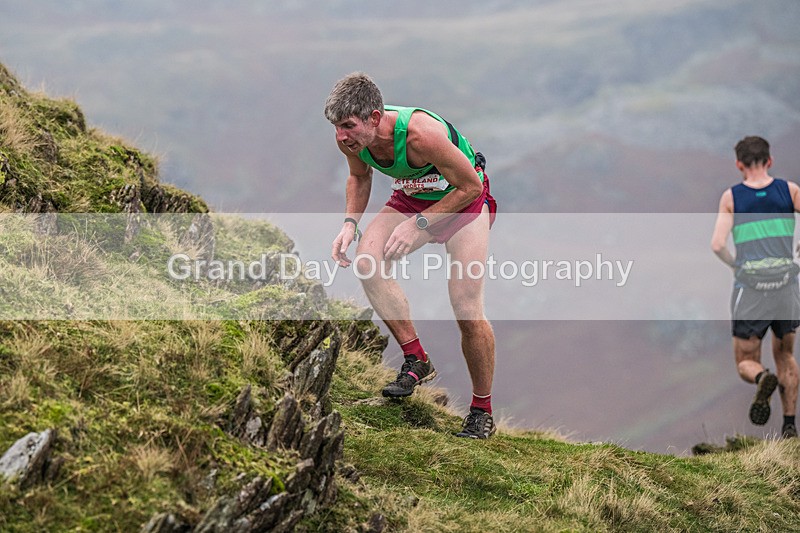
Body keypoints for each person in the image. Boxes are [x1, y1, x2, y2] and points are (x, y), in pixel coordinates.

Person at [324, 72, 498, 439]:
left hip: (463, 202)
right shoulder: (351, 140)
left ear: (374, 117)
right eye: (337, 127)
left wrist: (419, 224)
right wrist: (348, 225)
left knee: (466, 308)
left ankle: (482, 411)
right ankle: (416, 358)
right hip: (413, 198)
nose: (341, 136)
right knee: (367, 262)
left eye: (348, 126)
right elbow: (359, 178)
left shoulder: (422, 134)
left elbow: (471, 186)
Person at [711, 136, 800, 439]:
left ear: (739, 164)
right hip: (786, 284)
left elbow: (717, 244)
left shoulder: (732, 198)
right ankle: (790, 427)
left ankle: (762, 378)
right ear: (769, 161)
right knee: (786, 354)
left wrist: (736, 265)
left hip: (751, 289)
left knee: (746, 361)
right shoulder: (789, 191)